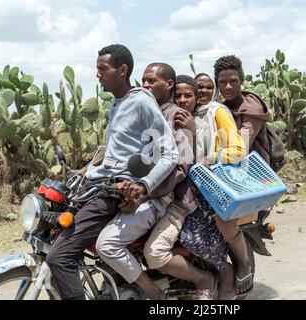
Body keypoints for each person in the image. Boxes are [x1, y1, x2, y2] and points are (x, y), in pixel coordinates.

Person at [46, 44, 179, 300]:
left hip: (115, 191)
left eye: (102, 69)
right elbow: (114, 152)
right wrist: (83, 172)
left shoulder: (140, 101)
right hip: (99, 185)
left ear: (122, 70)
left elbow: (170, 153)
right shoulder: (116, 105)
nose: (97, 74)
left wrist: (143, 186)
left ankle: (149, 291)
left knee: (59, 256)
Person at [142, 69, 218, 298]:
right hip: (165, 192)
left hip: (184, 196)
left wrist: (191, 131)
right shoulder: (165, 119)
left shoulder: (200, 124)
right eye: (179, 96)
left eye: (189, 96)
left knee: (154, 252)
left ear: (197, 99)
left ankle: (205, 280)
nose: (183, 101)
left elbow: (189, 164)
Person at [178, 73, 247, 299]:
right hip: (194, 186)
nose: (205, 91)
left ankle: (238, 265)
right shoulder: (188, 115)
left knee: (220, 226)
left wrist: (213, 156)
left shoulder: (217, 112)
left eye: (209, 87)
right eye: (201, 87)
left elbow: (238, 151)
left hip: (216, 183)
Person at [213, 55, 273, 295]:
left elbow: (241, 145)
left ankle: (242, 266)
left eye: (233, 81)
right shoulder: (220, 107)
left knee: (229, 220)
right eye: (223, 82)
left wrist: (209, 155)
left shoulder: (251, 108)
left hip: (252, 178)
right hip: (227, 173)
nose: (228, 86)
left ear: (242, 80)